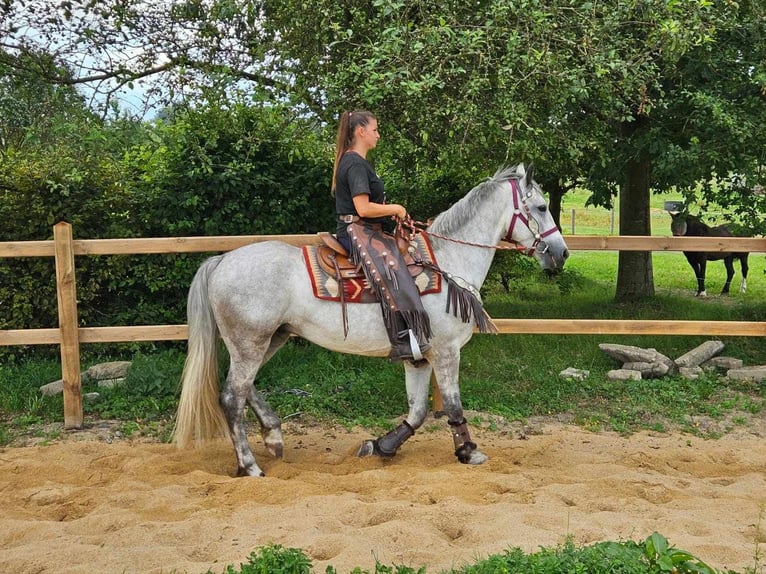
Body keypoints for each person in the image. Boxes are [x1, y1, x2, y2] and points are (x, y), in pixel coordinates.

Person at [331, 110, 431, 363]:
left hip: (367, 230)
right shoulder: (354, 163)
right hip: (356, 230)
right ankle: (402, 339)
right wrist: (396, 209)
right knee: (391, 268)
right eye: (375, 129)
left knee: (402, 256)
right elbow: (363, 208)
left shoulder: (358, 162)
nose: (378, 134)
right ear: (360, 131)